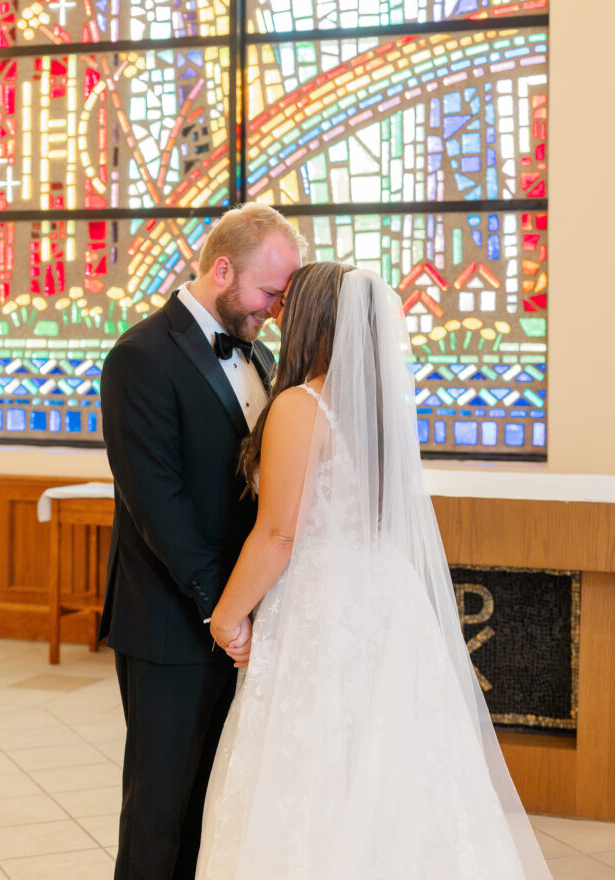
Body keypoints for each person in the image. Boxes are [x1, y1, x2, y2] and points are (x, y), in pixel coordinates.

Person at [197, 263, 552, 880]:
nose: (277, 315)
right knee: (394, 766)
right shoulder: (378, 411)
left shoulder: (302, 407)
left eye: (288, 304)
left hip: (324, 608)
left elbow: (280, 534)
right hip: (386, 601)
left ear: (312, 319)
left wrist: (226, 616)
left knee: (318, 768)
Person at [99, 203, 305, 880]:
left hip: (240, 615)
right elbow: (157, 502)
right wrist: (221, 609)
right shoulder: (139, 357)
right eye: (268, 292)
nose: (274, 309)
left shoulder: (263, 354)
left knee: (213, 806)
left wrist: (249, 609)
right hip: (172, 620)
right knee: (159, 810)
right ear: (222, 268)